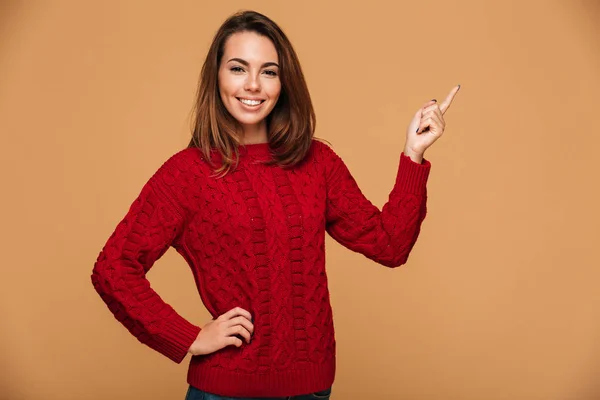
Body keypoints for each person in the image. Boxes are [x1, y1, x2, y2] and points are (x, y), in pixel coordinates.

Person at [90, 9, 459, 400]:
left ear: (284, 83)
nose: (253, 85)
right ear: (216, 76)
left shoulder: (317, 162)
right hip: (226, 391)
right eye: (238, 68)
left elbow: (390, 244)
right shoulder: (188, 174)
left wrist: (413, 154)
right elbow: (113, 269)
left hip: (311, 389)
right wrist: (189, 337)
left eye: (268, 71)